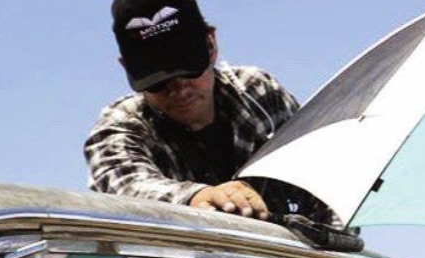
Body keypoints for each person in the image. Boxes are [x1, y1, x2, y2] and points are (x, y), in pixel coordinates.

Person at [84, 0, 296, 221]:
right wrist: (198, 197)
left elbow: (320, 177)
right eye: (157, 81)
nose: (179, 89)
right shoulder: (119, 126)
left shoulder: (257, 92)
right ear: (126, 67)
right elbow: (126, 186)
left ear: (211, 44)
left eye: (188, 68)